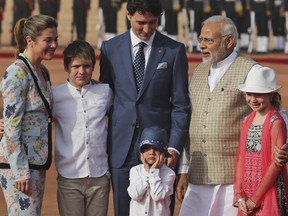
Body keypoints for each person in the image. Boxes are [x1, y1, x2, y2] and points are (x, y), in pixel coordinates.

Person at [176, 15, 288, 216]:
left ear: (229, 41)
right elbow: (190, 123)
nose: (201, 45)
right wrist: (183, 169)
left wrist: (284, 148)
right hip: (198, 175)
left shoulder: (251, 70)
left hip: (233, 182)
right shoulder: (198, 72)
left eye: (209, 40)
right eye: (200, 39)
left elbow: (278, 114)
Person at [99, 0, 190, 215]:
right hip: (121, 146)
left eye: (153, 23)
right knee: (123, 209)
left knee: (160, 209)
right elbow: (104, 97)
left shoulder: (174, 50)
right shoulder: (109, 49)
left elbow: (181, 105)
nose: (147, 29)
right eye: (141, 22)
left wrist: (174, 148)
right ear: (129, 15)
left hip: (160, 149)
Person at [0, 14, 58, 215]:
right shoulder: (17, 73)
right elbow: (12, 127)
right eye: (47, 40)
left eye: (55, 40)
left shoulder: (42, 70)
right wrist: (21, 171)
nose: (53, 45)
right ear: (30, 41)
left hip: (36, 162)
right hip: (20, 165)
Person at [52, 40, 113, 216]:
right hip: (69, 176)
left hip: (99, 175)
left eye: (87, 66)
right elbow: (36, 120)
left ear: (94, 67)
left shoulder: (105, 92)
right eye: (76, 66)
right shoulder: (55, 96)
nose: (81, 71)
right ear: (66, 67)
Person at [234, 66, 288, 215]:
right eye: (249, 94)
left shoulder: (276, 122)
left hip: (268, 194)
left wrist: (255, 199)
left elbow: (276, 164)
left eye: (258, 94)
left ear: (271, 94)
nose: (252, 100)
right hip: (247, 195)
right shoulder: (247, 121)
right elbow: (240, 159)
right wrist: (239, 196)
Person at [127, 126, 176, 216]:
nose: (151, 152)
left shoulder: (169, 174)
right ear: (141, 152)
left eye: (156, 148)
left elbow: (157, 195)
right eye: (147, 148)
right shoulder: (135, 170)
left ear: (163, 153)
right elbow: (135, 195)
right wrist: (147, 172)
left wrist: (154, 171)